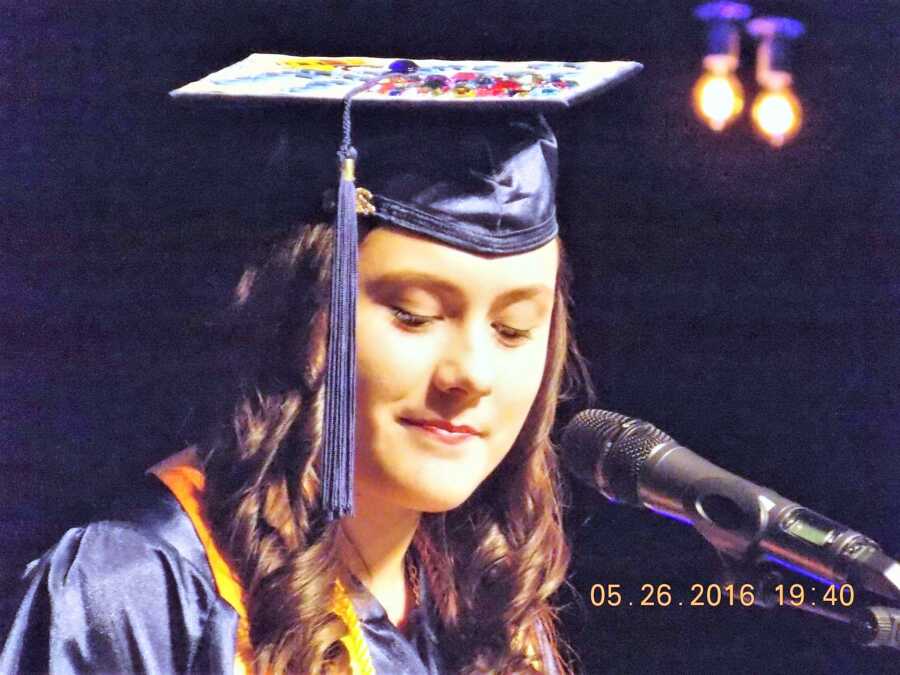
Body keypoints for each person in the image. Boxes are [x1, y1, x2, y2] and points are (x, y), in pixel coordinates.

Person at [0, 55, 640, 674]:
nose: (471, 374)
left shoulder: (489, 602)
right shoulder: (135, 588)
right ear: (304, 309)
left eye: (512, 328)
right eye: (413, 315)